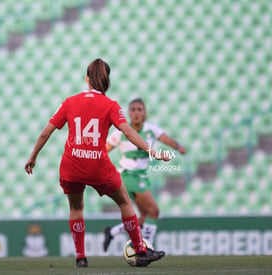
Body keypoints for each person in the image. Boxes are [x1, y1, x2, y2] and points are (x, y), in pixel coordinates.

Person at [25, 58, 169, 268]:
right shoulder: (110, 105)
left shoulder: (70, 101)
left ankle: (81, 258)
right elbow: (128, 132)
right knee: (124, 203)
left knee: (76, 209)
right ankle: (139, 250)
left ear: (87, 79)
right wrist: (151, 151)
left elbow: (46, 132)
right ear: (106, 80)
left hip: (71, 165)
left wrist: (33, 157)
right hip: (97, 166)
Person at [103, 98, 186, 251]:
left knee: (143, 217)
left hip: (142, 177)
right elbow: (103, 151)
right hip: (128, 176)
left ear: (144, 113)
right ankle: (145, 248)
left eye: (139, 109)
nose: (136, 113)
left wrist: (178, 147)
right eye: (133, 109)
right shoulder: (121, 132)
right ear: (128, 113)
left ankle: (112, 232)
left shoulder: (150, 129)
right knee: (154, 212)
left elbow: (166, 139)